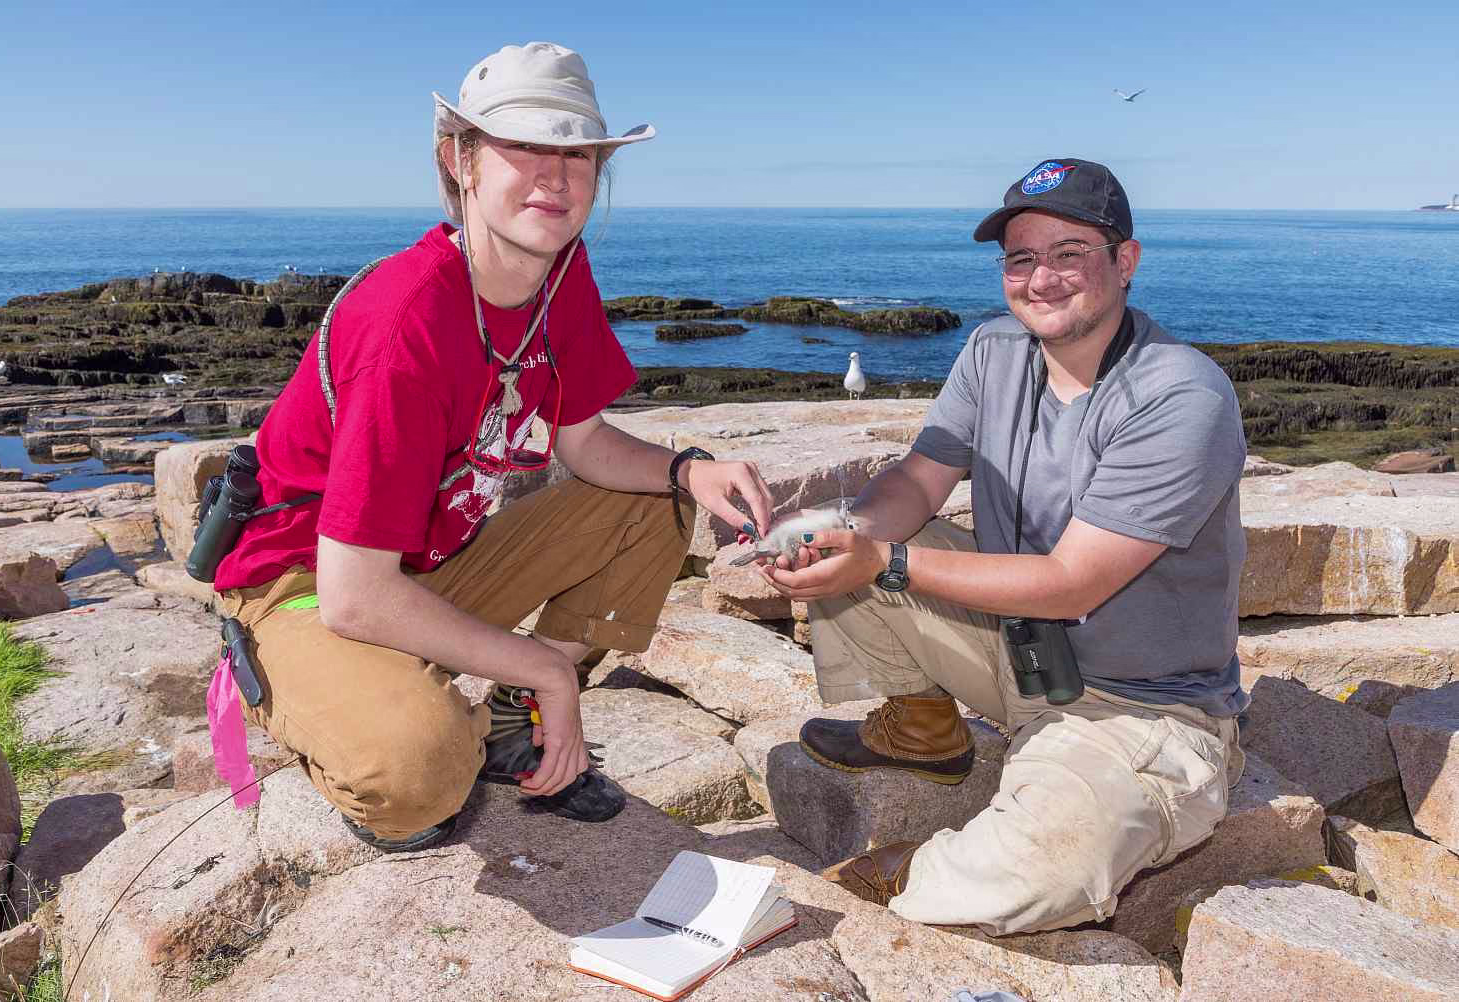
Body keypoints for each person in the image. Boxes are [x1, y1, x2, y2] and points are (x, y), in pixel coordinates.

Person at [212, 42, 773, 853]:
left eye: (577, 154)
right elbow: (354, 597)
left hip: (424, 565)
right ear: (461, 160)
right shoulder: (406, 323)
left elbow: (587, 444)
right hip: (304, 585)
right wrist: (547, 667)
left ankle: (513, 723)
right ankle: (310, 684)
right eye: (525, 147)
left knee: (656, 500)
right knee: (420, 777)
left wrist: (692, 468)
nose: (556, 177)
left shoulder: (559, 272)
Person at [760, 158, 1248, 934]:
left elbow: (1074, 581)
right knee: (861, 529)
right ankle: (923, 726)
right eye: (1021, 259)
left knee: (1051, 866)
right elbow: (917, 482)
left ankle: (913, 871)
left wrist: (882, 560)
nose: (1040, 279)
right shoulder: (993, 351)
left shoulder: (1179, 395)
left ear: (1125, 261)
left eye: (1068, 253)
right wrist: (836, 536)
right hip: (1021, 652)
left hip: (1140, 707)